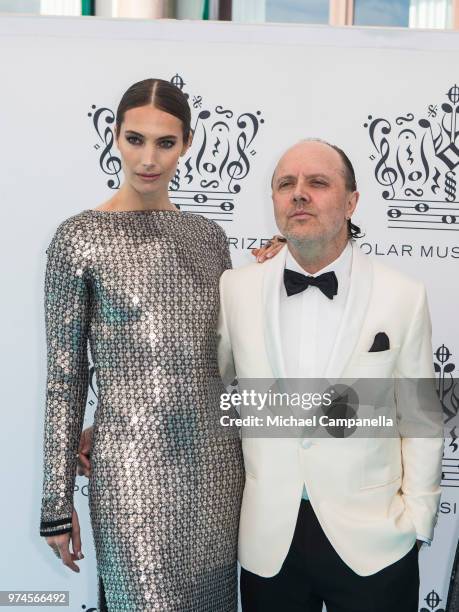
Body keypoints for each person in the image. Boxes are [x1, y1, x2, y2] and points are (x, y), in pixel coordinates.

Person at [39, 77, 282, 612]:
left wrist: (277, 269)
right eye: (135, 139)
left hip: (217, 468)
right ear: (115, 136)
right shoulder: (78, 237)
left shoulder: (208, 236)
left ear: (187, 144)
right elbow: (65, 377)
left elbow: (219, 353)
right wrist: (56, 503)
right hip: (130, 469)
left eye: (165, 143)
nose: (148, 158)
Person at [216, 139, 444, 611]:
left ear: (352, 202)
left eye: (318, 183)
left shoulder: (404, 294)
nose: (299, 194)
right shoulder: (234, 288)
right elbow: (216, 388)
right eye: (286, 184)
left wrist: (419, 517)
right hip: (268, 542)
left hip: (375, 543)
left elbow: (421, 417)